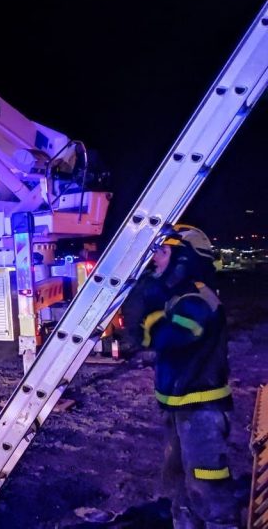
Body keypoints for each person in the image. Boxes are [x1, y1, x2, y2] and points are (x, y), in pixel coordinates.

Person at [139, 225, 238, 528]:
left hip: (201, 410)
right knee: (178, 482)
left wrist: (148, 312)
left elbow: (168, 338)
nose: (154, 258)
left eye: (163, 251)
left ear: (185, 259)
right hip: (181, 407)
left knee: (206, 484)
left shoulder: (197, 299)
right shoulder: (179, 297)